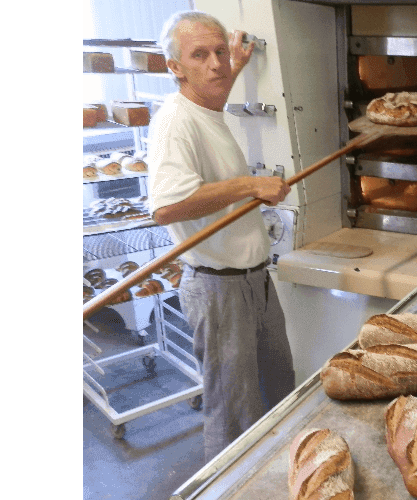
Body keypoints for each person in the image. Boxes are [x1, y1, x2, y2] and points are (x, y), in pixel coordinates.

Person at [146, 11, 295, 460]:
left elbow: (212, 89)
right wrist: (250, 184)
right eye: (199, 55)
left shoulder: (205, 107)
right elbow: (166, 206)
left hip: (254, 282)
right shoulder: (175, 122)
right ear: (174, 67)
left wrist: (237, 66)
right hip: (217, 289)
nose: (215, 65)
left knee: (278, 394)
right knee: (234, 414)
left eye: (219, 53)